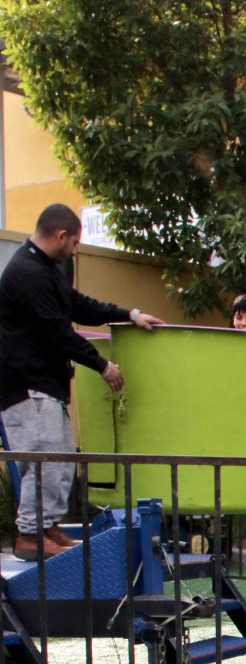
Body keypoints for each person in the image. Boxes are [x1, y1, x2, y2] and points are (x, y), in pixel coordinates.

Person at [0, 203, 163, 558]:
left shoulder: (51, 269)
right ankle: (29, 534)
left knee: (60, 458)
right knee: (43, 458)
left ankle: (47, 527)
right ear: (60, 236)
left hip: (47, 385)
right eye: (74, 242)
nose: (75, 250)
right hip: (25, 385)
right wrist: (102, 366)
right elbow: (57, 332)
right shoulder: (26, 272)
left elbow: (76, 304)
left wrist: (128, 315)